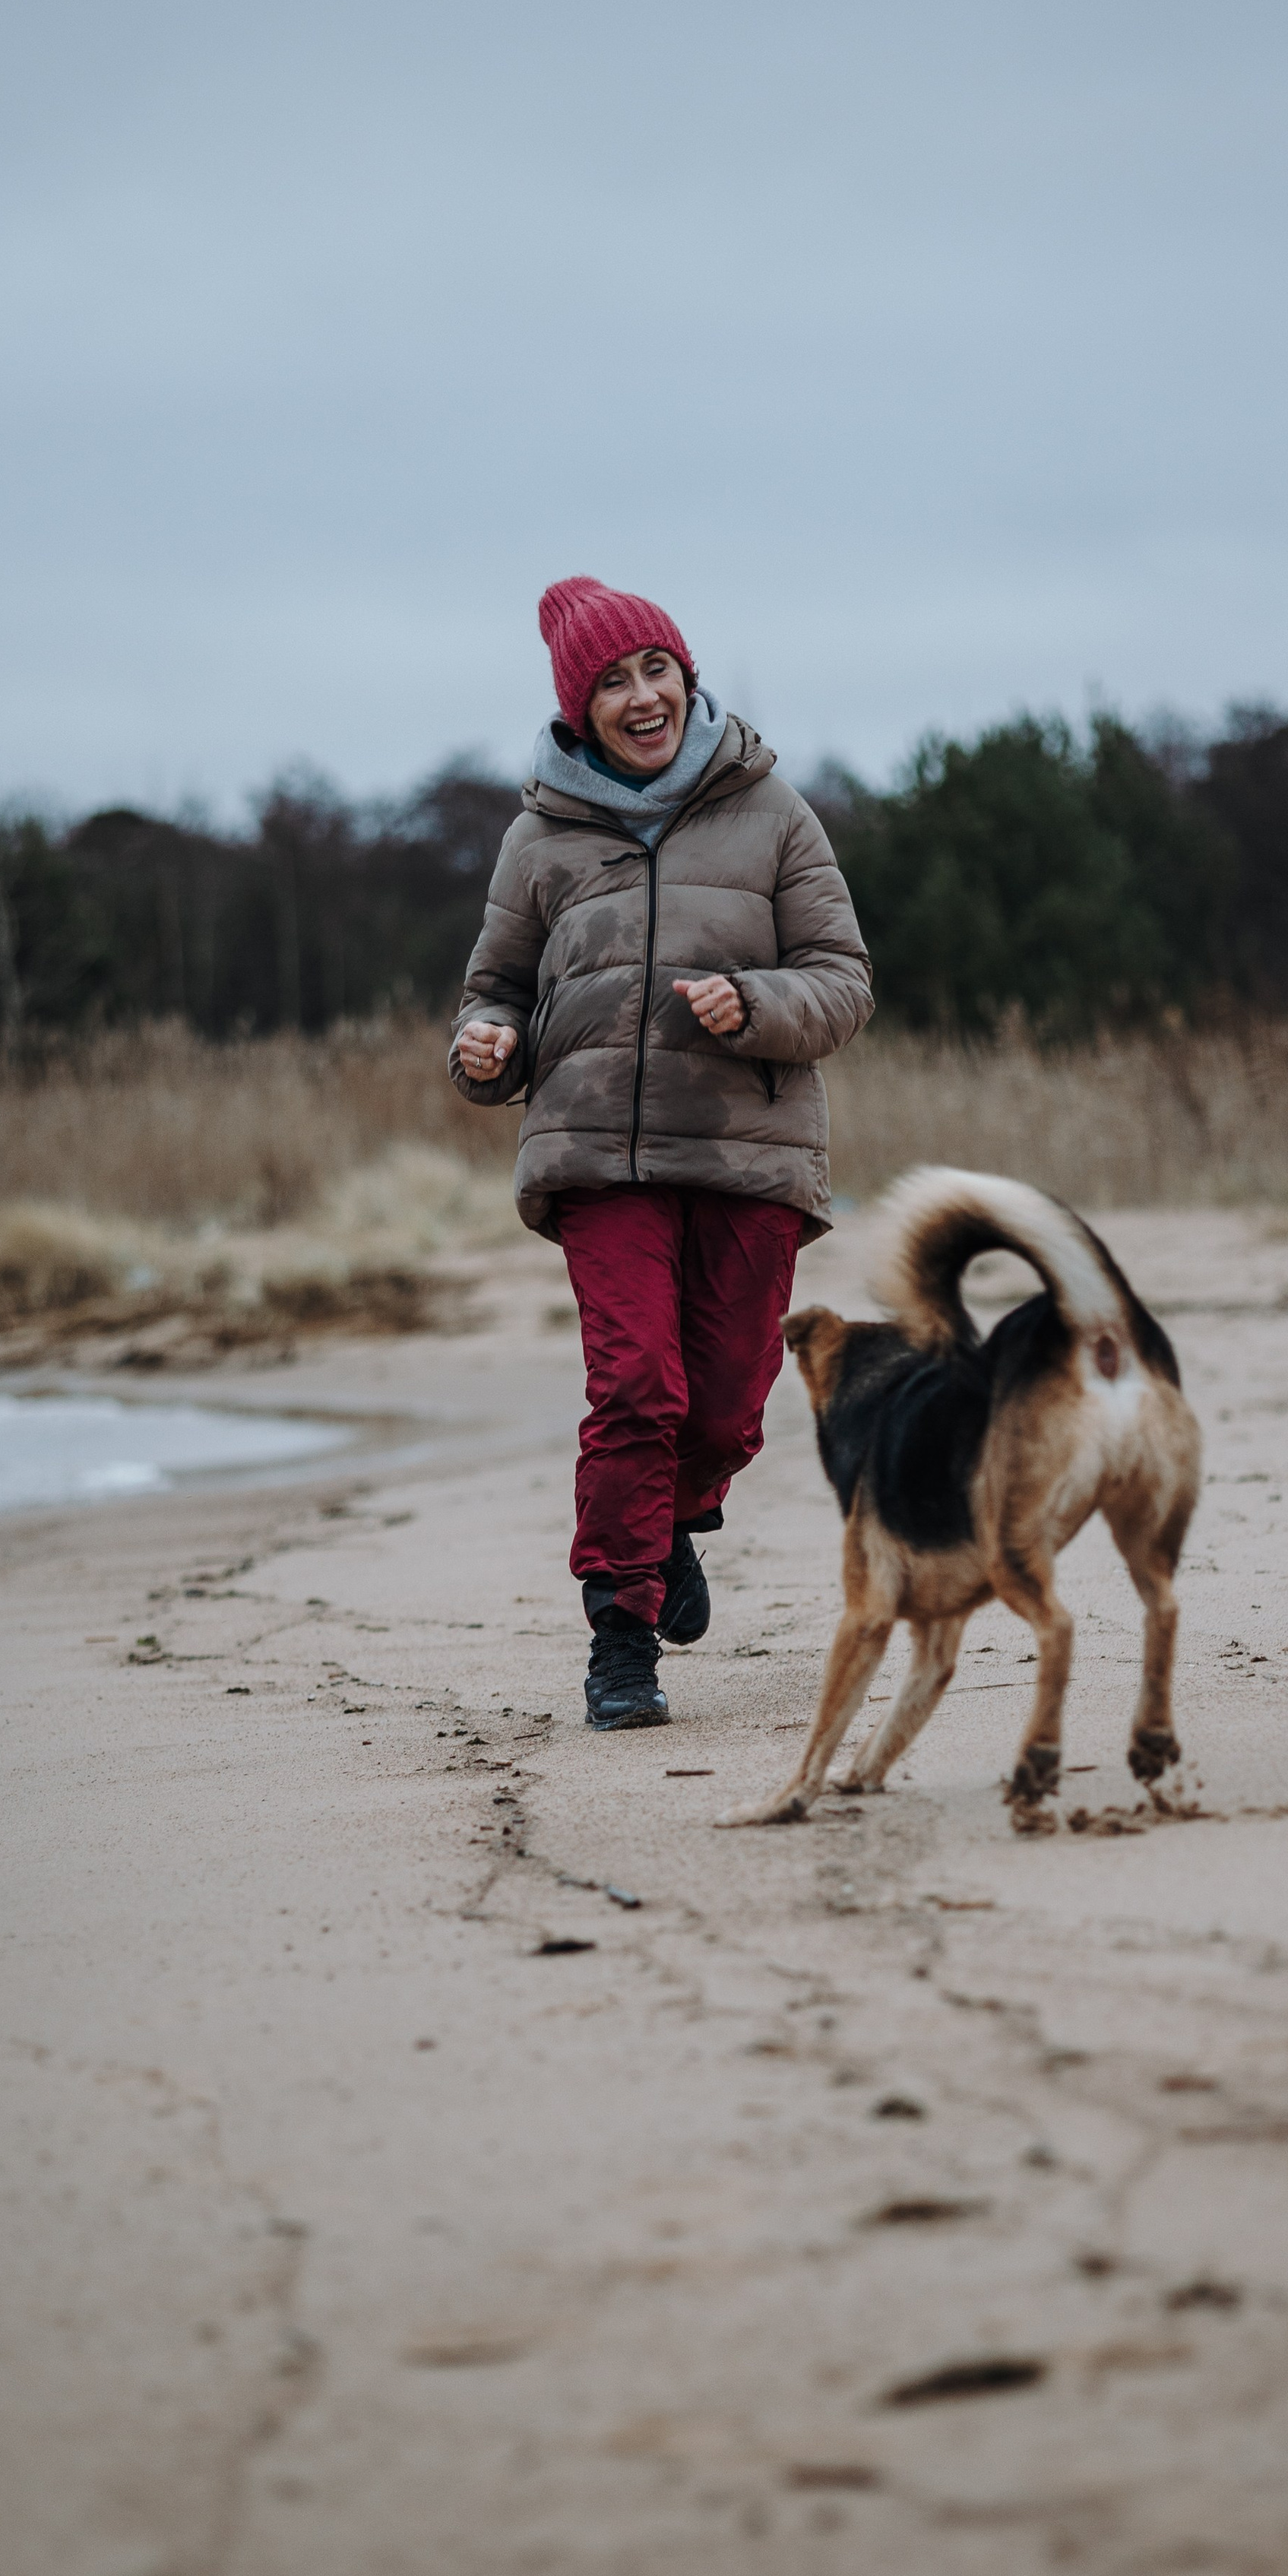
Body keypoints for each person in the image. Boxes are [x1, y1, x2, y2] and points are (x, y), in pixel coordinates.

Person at [450, 575, 873, 1729]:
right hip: (597, 1156)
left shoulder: (773, 810)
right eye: (610, 683)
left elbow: (843, 983)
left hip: (749, 1149)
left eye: (654, 670)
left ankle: (675, 1521)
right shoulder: (538, 836)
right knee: (636, 1386)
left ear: (686, 675)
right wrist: (484, 1047)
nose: (641, 698)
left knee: (727, 1405)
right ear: (576, 710)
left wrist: (753, 1004)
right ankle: (621, 1635)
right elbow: (495, 991)